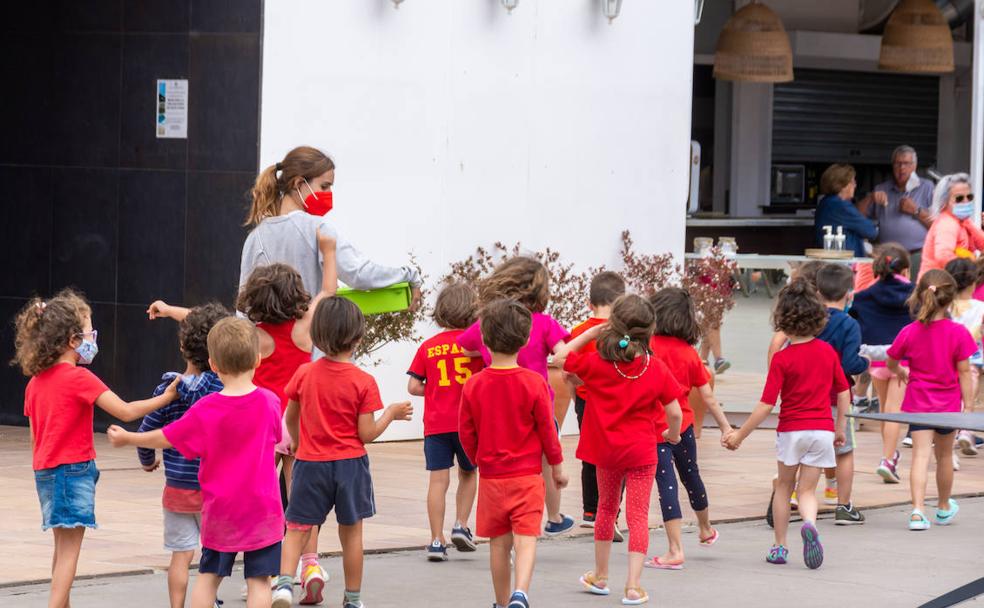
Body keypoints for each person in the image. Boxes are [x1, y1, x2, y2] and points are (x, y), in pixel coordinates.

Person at [14, 290, 182, 608]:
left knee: (60, 550)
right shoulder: (80, 379)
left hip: (45, 473)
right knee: (70, 554)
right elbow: (127, 411)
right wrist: (168, 397)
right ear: (73, 341)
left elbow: (36, 438)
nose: (93, 339)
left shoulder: (34, 383)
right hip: (73, 471)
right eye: (90, 332)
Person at [107, 318, 285, 608]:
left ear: (214, 364)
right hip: (262, 510)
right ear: (257, 359)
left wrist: (129, 439)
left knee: (208, 576)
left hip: (220, 510)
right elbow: (277, 437)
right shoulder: (270, 402)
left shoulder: (207, 409)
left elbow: (167, 437)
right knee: (259, 581)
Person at [273, 297, 413, 608]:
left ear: (317, 335)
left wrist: (296, 442)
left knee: (296, 528)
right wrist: (389, 413)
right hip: (350, 465)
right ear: (358, 337)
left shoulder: (304, 374)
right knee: (351, 536)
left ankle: (283, 586)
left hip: (310, 463)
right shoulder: (364, 382)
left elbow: (291, 417)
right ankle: (352, 599)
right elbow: (366, 434)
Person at [725, 280, 850, 570]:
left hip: (792, 429)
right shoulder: (828, 353)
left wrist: (739, 435)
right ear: (818, 318)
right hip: (822, 430)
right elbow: (843, 391)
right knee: (807, 490)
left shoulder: (782, 359)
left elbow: (766, 404)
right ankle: (809, 523)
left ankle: (780, 546)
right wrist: (840, 427)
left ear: (782, 320)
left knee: (784, 487)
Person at [566, 294, 683, 605]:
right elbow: (675, 413)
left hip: (606, 452)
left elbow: (559, 357)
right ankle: (632, 585)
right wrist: (671, 436)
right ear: (650, 330)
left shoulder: (596, 364)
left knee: (606, 509)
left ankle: (600, 575)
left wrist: (591, 334)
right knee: (638, 515)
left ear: (613, 325)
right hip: (642, 451)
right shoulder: (654, 368)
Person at [456, 256, 583, 537]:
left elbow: (465, 348)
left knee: (506, 465)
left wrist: (487, 349)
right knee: (548, 458)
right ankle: (553, 516)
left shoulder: (489, 322)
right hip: (537, 402)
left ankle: (503, 524)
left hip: (497, 405)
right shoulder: (544, 323)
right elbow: (563, 354)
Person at [458, 298, 569, 608]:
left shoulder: (474, 385)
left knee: (498, 545)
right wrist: (557, 466)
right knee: (526, 538)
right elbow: (548, 431)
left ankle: (502, 601)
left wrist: (479, 458)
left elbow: (466, 432)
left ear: (484, 340)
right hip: (528, 477)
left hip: (493, 477)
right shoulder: (534, 383)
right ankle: (521, 591)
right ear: (524, 340)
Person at [240, 145, 422, 313]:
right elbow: (359, 273)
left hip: (267, 346)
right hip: (312, 342)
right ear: (298, 184)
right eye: (324, 186)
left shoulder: (255, 238)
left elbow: (244, 307)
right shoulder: (316, 229)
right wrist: (409, 275)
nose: (328, 194)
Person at [136, 303, 230, 608]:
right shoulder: (220, 389)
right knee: (212, 551)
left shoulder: (168, 389)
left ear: (182, 347)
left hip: (176, 488)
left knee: (180, 554)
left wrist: (148, 460)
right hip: (212, 489)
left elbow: (146, 428)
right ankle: (209, 600)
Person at [644, 287, 733, 569]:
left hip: (657, 428)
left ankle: (674, 549)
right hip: (683, 425)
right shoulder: (690, 354)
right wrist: (725, 428)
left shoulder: (646, 347)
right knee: (691, 475)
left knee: (666, 483)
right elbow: (707, 397)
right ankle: (705, 528)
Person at [886, 270, 977, 530]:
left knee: (920, 457)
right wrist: (968, 406)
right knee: (945, 457)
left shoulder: (909, 331)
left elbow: (892, 360)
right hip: (947, 407)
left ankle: (917, 510)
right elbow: (964, 372)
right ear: (950, 299)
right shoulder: (958, 333)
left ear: (920, 295)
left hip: (917, 405)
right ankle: (944, 506)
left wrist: (901, 371)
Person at [406, 282, 484, 561]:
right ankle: (461, 526)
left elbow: (414, 387)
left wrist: (437, 388)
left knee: (438, 481)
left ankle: (436, 540)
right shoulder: (475, 347)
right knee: (468, 473)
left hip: (436, 425)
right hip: (469, 424)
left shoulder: (428, 347)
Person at [851, 243, 914, 483]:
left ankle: (890, 456)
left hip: (877, 360)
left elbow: (855, 323)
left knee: (886, 410)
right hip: (904, 361)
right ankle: (887, 459)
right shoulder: (916, 294)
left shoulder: (863, 297)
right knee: (893, 412)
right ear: (906, 270)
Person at [567, 270, 625, 530]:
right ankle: (611, 511)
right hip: (616, 402)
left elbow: (569, 371)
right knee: (616, 454)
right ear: (621, 301)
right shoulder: (623, 334)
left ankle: (590, 511)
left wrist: (580, 388)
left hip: (586, 401)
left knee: (589, 453)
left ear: (590, 304)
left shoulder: (579, 332)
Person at [814, 264, 868, 525]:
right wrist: (865, 363)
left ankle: (793, 495)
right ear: (849, 292)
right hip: (838, 398)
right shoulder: (850, 324)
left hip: (808, 398)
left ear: (817, 290)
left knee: (807, 450)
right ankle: (844, 506)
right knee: (843, 451)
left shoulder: (808, 320)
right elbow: (849, 363)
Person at [857, 145, 935, 279]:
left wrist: (916, 210)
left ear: (914, 166)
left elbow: (937, 225)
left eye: (906, 163)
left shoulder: (927, 187)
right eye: (898, 163)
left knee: (915, 294)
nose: (902, 168)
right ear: (893, 166)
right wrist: (870, 198)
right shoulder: (882, 188)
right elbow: (857, 216)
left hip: (917, 256)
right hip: (887, 257)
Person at [945, 258, 984, 457]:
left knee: (951, 396)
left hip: (946, 356)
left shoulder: (945, 306)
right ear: (973, 282)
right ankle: (966, 429)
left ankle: (951, 435)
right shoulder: (979, 306)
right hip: (972, 356)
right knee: (969, 392)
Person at [919, 173, 984, 280]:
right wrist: (972, 262)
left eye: (969, 197)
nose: (966, 201)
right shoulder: (947, 223)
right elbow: (943, 256)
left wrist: (969, 225)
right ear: (945, 202)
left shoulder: (962, 221)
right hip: (936, 287)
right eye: (959, 198)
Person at [813, 164, 878, 257]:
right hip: (845, 262)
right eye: (852, 182)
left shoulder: (825, 202)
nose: (855, 185)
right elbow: (870, 231)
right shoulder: (840, 205)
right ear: (842, 185)